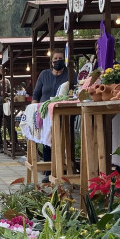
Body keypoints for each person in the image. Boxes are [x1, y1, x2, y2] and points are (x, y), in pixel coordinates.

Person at [32, 46, 69, 182]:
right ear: (51, 61)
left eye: (60, 58)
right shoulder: (44, 74)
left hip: (63, 113)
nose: (58, 61)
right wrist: (34, 110)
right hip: (45, 114)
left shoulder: (69, 74)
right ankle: (49, 171)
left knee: (63, 141)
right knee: (47, 142)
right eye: (55, 58)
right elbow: (36, 94)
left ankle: (63, 169)